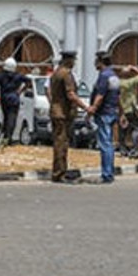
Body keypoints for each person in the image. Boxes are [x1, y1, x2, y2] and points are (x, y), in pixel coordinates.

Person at [47, 50, 89, 183]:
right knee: (61, 143)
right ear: (68, 60)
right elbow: (71, 94)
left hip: (57, 111)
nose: (74, 63)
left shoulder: (56, 73)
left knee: (60, 142)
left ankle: (60, 171)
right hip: (62, 113)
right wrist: (85, 107)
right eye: (73, 60)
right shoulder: (65, 74)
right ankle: (59, 173)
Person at [87, 51, 122, 184]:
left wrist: (91, 110)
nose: (95, 63)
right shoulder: (114, 76)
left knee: (105, 144)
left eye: (96, 60)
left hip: (104, 114)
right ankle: (110, 172)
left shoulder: (104, 76)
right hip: (112, 112)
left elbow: (100, 96)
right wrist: (121, 113)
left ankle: (107, 174)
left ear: (101, 61)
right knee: (109, 144)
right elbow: (119, 97)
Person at [0, 57, 31, 145]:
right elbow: (29, 81)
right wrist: (21, 91)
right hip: (14, 99)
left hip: (4, 99)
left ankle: (5, 136)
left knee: (6, 117)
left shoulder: (0, 76)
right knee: (12, 118)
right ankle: (9, 138)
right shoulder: (18, 76)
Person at [116, 63, 138, 158]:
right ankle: (134, 150)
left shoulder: (118, 83)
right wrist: (133, 68)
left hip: (122, 110)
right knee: (135, 129)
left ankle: (123, 150)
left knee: (123, 131)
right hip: (132, 109)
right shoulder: (130, 82)